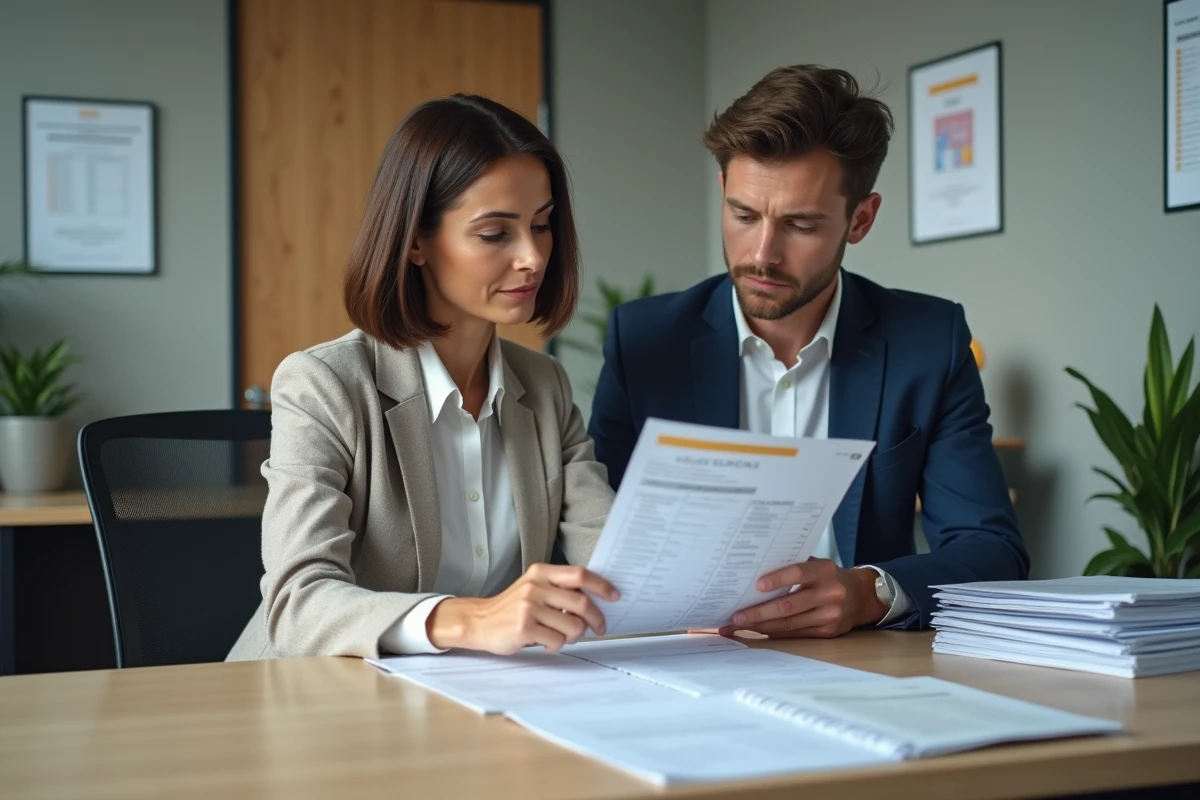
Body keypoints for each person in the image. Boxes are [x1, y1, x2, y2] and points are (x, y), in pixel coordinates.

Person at [588, 65, 1029, 637]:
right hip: (683, 660)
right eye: (744, 215)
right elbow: (591, 536)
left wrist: (869, 592)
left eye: (800, 225)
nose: (762, 254)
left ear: (860, 220)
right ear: (722, 191)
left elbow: (993, 550)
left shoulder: (928, 342)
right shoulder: (645, 342)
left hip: (862, 663)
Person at [228, 94, 619, 661]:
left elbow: (610, 561)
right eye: (495, 234)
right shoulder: (324, 384)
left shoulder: (544, 385)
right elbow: (298, 602)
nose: (534, 257)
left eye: (542, 225)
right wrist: (466, 619)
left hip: (474, 700)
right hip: (317, 708)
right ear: (415, 241)